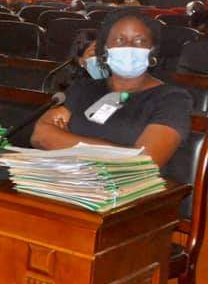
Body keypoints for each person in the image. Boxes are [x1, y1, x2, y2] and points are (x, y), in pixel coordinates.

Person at [31, 10, 192, 167]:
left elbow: (143, 162)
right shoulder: (83, 88)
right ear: (105, 49)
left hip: (126, 184)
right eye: (119, 40)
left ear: (152, 51)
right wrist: (123, 152)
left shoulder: (172, 99)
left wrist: (65, 140)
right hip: (66, 177)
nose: (129, 47)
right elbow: (40, 135)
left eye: (139, 41)